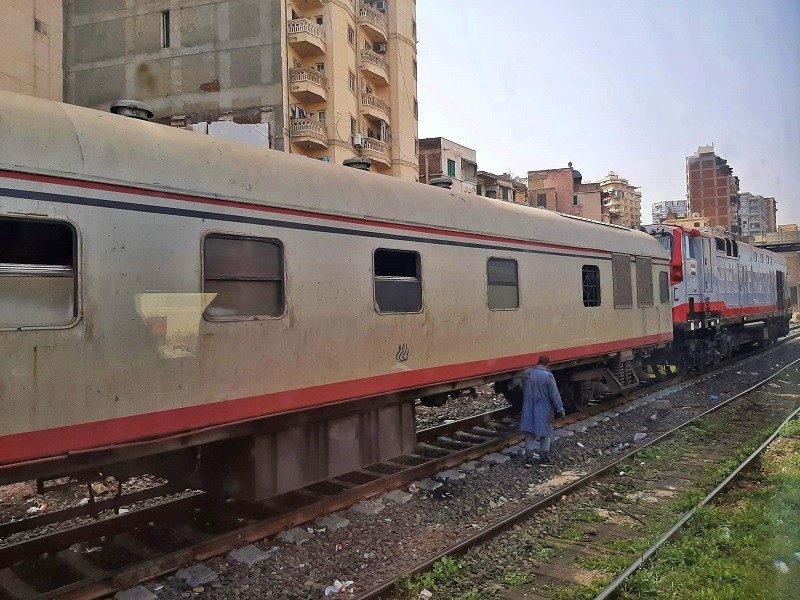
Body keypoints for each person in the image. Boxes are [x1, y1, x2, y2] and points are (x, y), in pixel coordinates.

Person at [520, 355, 565, 467]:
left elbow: (524, 386)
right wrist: (560, 409)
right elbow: (554, 395)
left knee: (529, 433)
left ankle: (528, 460)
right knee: (545, 434)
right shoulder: (547, 375)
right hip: (543, 408)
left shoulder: (527, 373)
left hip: (528, 408)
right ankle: (543, 459)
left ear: (538, 362)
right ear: (547, 364)